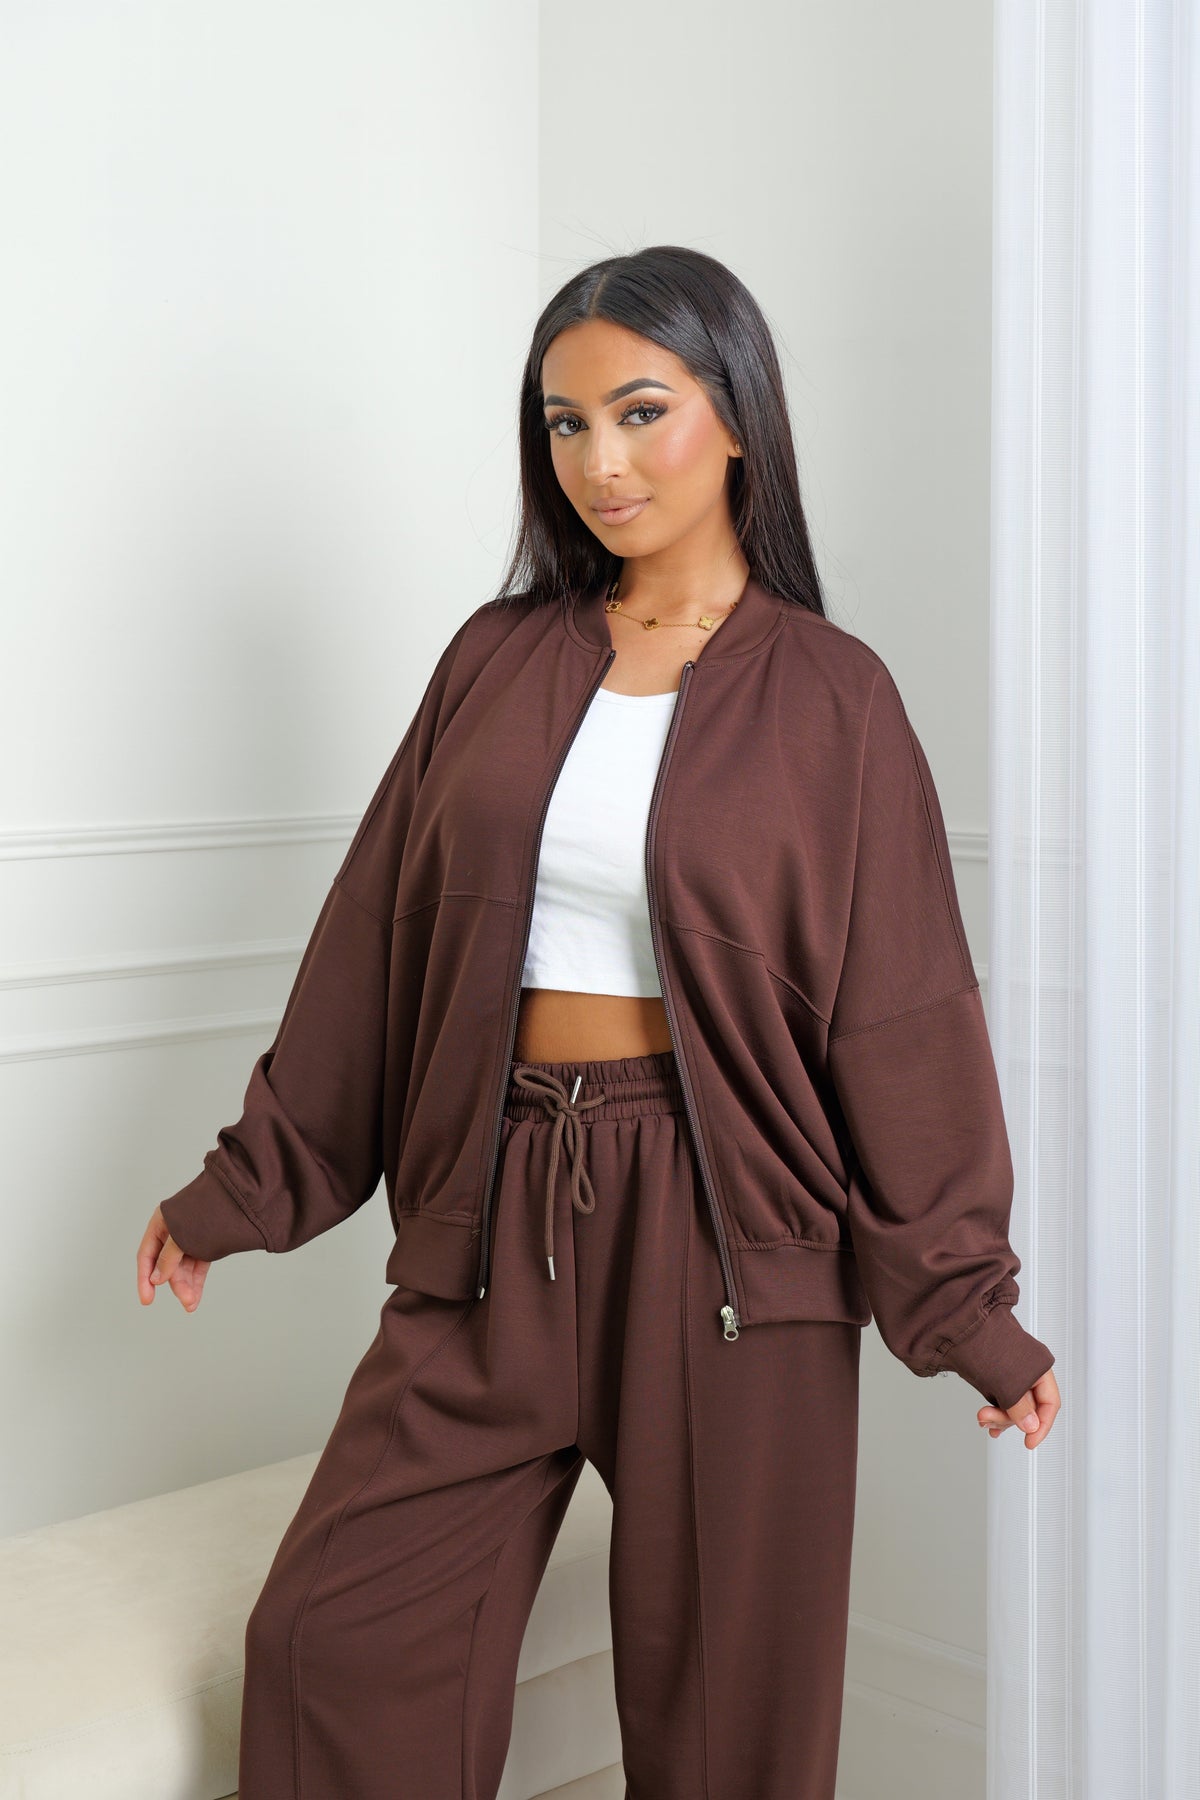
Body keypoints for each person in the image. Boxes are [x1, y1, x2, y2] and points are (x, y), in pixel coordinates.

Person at [136, 244, 1060, 1800]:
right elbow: (374, 945)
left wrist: (968, 1308)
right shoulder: (496, 660)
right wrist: (247, 1188)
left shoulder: (833, 698)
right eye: (566, 424)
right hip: (494, 1209)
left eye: (641, 412)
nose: (601, 463)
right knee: (335, 1636)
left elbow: (901, 1019)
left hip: (729, 1236)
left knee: (729, 1725)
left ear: (737, 417)